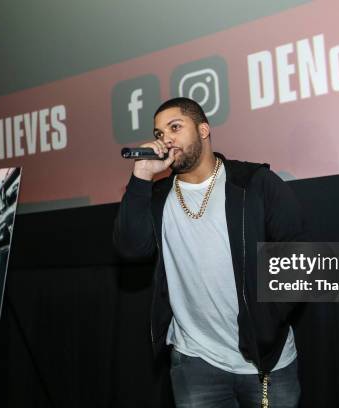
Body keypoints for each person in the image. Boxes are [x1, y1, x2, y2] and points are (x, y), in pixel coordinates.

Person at [114, 97, 306, 407]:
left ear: (204, 130)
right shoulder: (158, 197)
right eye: (160, 133)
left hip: (264, 361)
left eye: (175, 127)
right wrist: (142, 177)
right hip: (195, 361)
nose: (166, 139)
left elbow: (299, 254)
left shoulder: (254, 183)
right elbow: (131, 248)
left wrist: (268, 323)